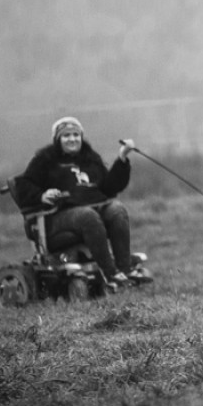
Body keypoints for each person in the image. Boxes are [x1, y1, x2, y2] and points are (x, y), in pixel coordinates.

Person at [15, 116, 147, 291]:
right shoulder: (44, 160)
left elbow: (109, 188)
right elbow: (23, 185)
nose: (72, 139)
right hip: (56, 217)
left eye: (76, 134)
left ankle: (125, 270)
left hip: (92, 211)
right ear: (58, 139)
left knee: (117, 210)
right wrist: (42, 195)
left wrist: (122, 158)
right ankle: (110, 275)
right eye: (66, 135)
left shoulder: (90, 159)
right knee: (87, 215)